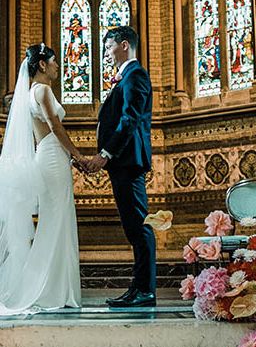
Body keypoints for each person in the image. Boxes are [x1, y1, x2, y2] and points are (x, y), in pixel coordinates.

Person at [0, 43, 84, 315]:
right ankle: (49, 289)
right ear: (42, 65)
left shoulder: (28, 93)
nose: (58, 66)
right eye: (54, 61)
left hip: (45, 155)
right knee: (57, 221)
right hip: (52, 156)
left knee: (55, 220)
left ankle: (57, 288)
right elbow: (55, 125)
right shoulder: (43, 90)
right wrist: (77, 155)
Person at [87, 26, 155, 308]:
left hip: (128, 160)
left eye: (108, 46)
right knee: (133, 226)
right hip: (123, 162)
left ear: (124, 45)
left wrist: (106, 153)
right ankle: (138, 288)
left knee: (139, 226)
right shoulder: (126, 76)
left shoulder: (135, 74)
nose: (105, 52)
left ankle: (145, 291)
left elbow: (129, 119)